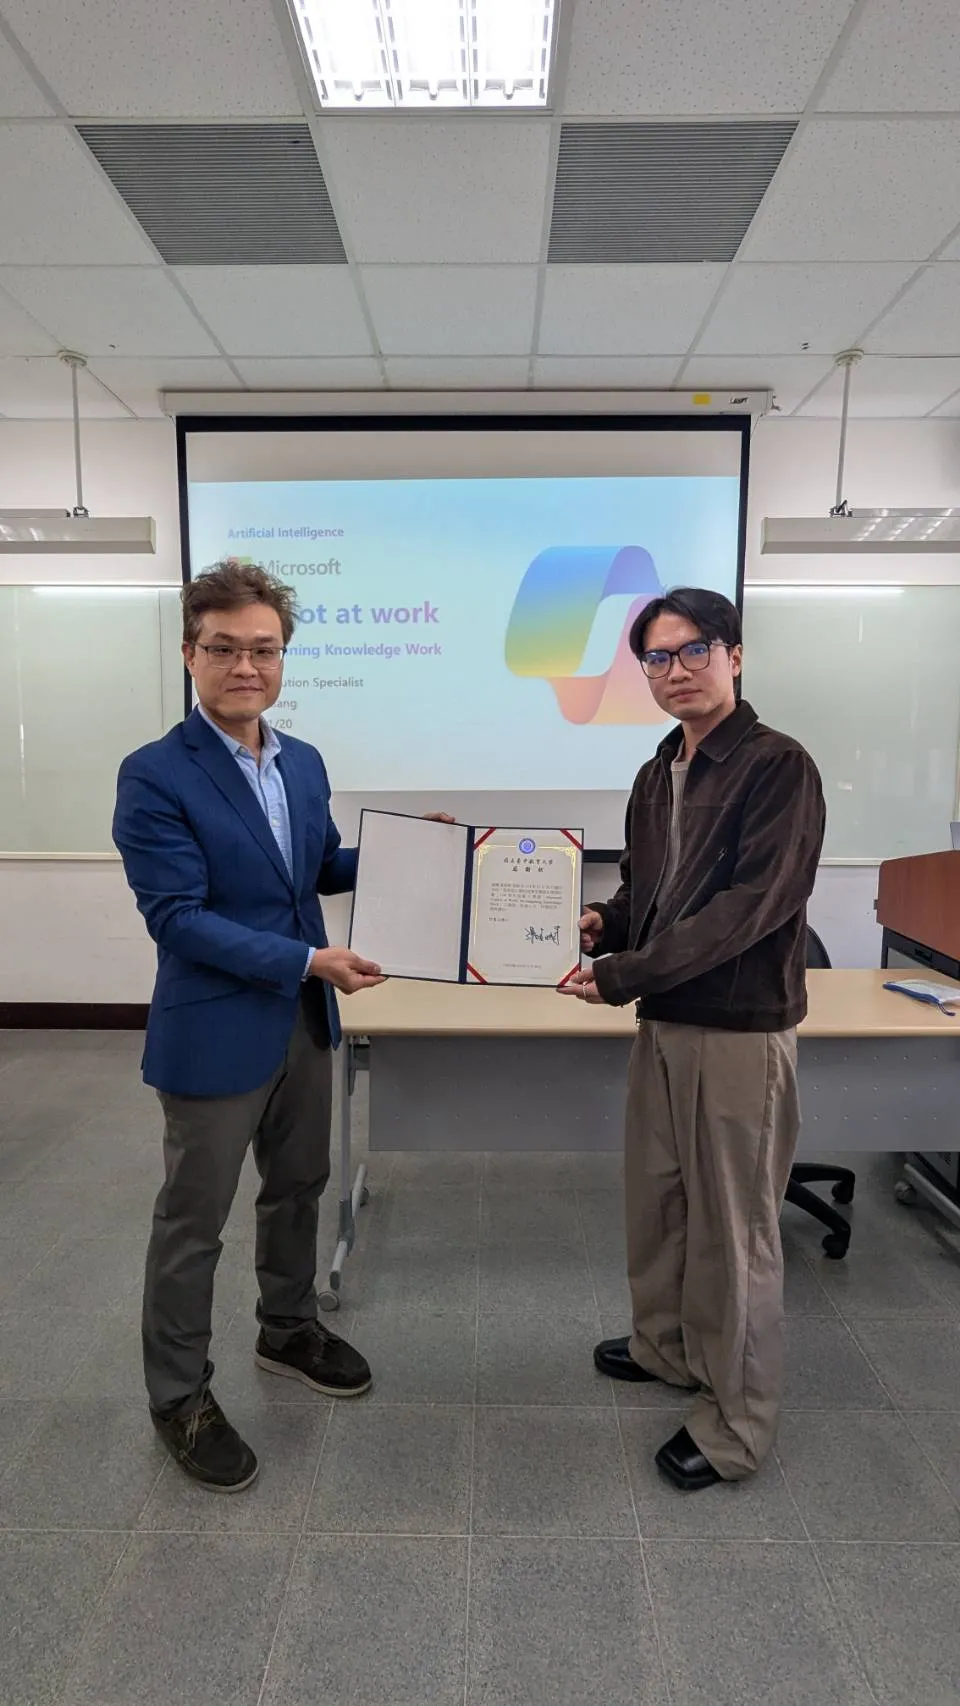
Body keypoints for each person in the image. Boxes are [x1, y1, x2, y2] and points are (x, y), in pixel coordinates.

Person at [114, 560, 434, 1493]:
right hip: (217, 1029)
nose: (246, 667)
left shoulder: (303, 761)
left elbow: (314, 867)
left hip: (302, 1020)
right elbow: (179, 918)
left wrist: (415, 853)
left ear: (283, 657)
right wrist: (308, 960)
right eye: (224, 649)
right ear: (190, 654)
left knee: (298, 1186)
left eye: (264, 649)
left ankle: (287, 1328)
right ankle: (179, 1394)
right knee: (193, 1222)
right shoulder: (155, 773)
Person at [561, 587, 825, 1491]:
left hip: (737, 1028)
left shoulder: (777, 766)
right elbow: (649, 890)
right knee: (661, 1200)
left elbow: (748, 908)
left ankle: (735, 1426)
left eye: (693, 650)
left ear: (734, 656)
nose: (675, 670)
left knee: (733, 1230)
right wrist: (607, 923)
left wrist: (626, 973)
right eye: (657, 657)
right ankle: (667, 1348)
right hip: (667, 1020)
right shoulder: (658, 769)